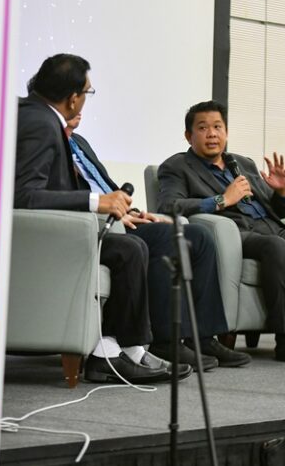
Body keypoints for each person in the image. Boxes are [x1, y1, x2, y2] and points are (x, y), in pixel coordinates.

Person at [15, 55, 249, 384]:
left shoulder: (41, 119)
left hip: (95, 222)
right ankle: (131, 349)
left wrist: (131, 211)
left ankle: (186, 339)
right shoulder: (40, 123)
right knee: (139, 247)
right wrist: (98, 203)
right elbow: (24, 195)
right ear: (73, 98)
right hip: (70, 231)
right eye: (87, 92)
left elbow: (97, 186)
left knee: (192, 236)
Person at [157, 100, 285, 361]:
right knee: (275, 246)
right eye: (203, 128)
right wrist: (221, 200)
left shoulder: (241, 163)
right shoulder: (177, 167)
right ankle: (284, 334)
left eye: (217, 127)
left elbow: (279, 211)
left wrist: (281, 191)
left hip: (272, 228)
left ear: (226, 132)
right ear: (188, 136)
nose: (212, 134)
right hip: (237, 235)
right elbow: (169, 206)